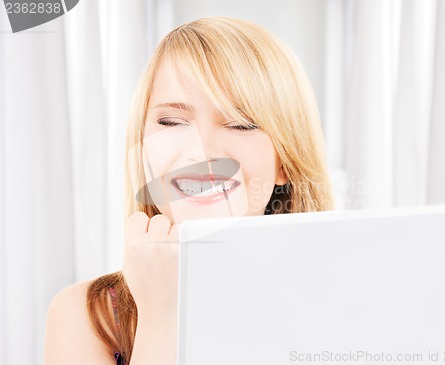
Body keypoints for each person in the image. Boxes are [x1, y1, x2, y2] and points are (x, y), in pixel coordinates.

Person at [43, 16, 334, 364]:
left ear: (285, 160)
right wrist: (162, 314)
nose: (202, 150)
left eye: (241, 124)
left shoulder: (338, 303)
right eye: (171, 122)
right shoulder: (88, 316)